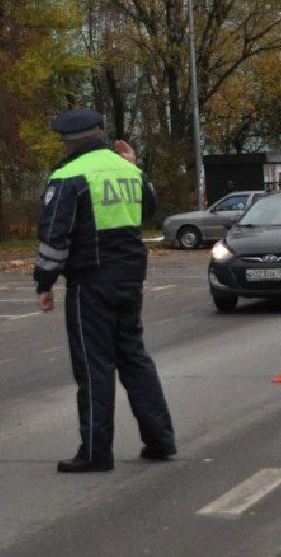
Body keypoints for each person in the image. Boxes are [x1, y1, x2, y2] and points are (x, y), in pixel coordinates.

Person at [35, 109, 176, 473]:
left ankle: (96, 452)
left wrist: (45, 282)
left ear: (68, 142)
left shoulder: (68, 176)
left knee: (93, 365)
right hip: (130, 279)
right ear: (100, 134)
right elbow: (149, 210)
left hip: (90, 282)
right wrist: (135, 166)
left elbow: (54, 236)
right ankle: (160, 440)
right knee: (134, 359)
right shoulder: (129, 171)